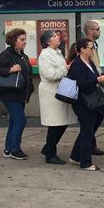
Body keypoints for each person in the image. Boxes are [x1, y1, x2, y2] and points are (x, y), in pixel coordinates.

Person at [67, 38, 104, 171]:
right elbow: (80, 83)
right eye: (90, 48)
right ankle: (85, 162)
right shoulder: (77, 64)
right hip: (82, 101)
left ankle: (75, 156)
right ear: (82, 49)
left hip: (92, 100)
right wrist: (96, 79)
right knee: (87, 130)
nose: (92, 50)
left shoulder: (89, 62)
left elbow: (93, 77)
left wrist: (103, 78)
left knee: (91, 126)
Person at [0, 28, 34, 160]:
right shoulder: (7, 54)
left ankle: (8, 149)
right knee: (20, 121)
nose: (25, 42)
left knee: (14, 121)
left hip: (21, 94)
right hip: (10, 94)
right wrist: (10, 69)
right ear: (13, 41)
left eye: (25, 39)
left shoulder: (23, 55)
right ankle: (15, 150)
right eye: (22, 39)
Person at [37, 30, 75, 164]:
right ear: (48, 41)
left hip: (61, 90)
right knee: (55, 124)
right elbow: (50, 74)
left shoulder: (58, 53)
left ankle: (48, 147)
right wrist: (66, 70)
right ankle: (50, 154)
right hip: (51, 93)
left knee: (63, 122)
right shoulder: (45, 55)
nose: (57, 37)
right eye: (53, 36)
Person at [82, 20, 104, 155]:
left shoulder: (94, 45)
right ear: (90, 31)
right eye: (97, 29)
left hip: (96, 83)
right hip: (88, 87)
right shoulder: (84, 46)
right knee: (94, 115)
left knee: (98, 114)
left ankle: (91, 143)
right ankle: (87, 144)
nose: (99, 31)